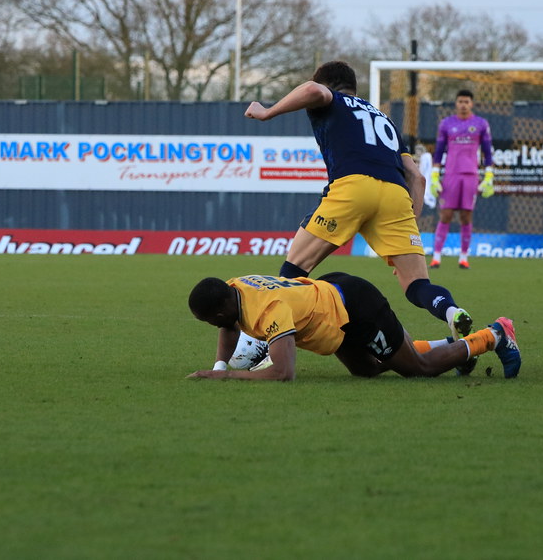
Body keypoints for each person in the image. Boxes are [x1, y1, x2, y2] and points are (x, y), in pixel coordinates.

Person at [244, 61, 474, 344]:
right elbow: (416, 177)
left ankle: (268, 347)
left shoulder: (333, 99)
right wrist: (406, 227)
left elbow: (313, 90)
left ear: (329, 84)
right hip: (395, 195)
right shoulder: (384, 118)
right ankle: (451, 312)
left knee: (293, 271)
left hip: (353, 187)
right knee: (417, 285)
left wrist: (268, 112)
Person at [185, 272, 521, 381]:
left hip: (356, 307)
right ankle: (449, 347)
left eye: (207, 320)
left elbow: (283, 372)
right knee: (367, 371)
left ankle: (493, 335)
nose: (213, 326)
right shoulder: (233, 289)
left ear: (217, 312)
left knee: (418, 370)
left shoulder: (268, 310)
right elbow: (229, 327)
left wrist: (228, 375)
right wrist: (217, 366)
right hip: (331, 309)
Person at [429, 89, 495, 269]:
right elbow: (439, 151)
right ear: (456, 103)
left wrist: (489, 175)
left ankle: (463, 257)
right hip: (451, 174)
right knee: (446, 214)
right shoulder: (446, 124)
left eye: (466, 101)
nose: (463, 105)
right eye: (460, 101)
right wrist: (435, 176)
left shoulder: (480, 124)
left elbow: (488, 151)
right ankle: (436, 257)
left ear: (471, 103)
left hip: (471, 175)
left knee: (466, 216)